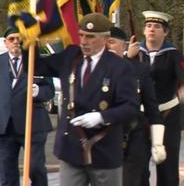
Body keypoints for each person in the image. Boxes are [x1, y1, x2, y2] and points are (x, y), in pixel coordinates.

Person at [28, 13, 140, 186]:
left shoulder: (119, 67)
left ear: (105, 39)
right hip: (71, 148)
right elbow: (35, 65)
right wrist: (31, 38)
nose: (84, 41)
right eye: (81, 35)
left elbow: (131, 107)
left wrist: (102, 117)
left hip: (104, 149)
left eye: (90, 37)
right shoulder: (71, 57)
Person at [127, 10, 184, 186]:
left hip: (167, 114)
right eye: (148, 26)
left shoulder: (173, 54)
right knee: (138, 167)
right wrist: (128, 58)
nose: (152, 30)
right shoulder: (135, 52)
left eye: (156, 27)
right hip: (141, 116)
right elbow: (121, 75)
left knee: (167, 167)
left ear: (165, 32)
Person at [106, 27, 165, 186]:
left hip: (132, 137)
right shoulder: (91, 69)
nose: (107, 46)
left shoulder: (138, 69)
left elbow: (151, 107)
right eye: (104, 42)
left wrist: (157, 142)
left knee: (134, 180)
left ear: (124, 46)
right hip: (103, 138)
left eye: (111, 42)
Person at [0, 26, 54, 186]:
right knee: (6, 174)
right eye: (12, 39)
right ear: (6, 42)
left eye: (20, 39)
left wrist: (38, 91)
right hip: (6, 127)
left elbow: (50, 91)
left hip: (33, 125)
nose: (16, 42)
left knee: (35, 168)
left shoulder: (36, 60)